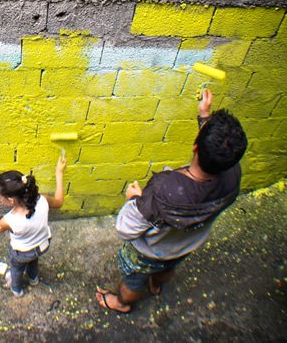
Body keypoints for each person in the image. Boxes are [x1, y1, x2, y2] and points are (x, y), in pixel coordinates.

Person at [97, 89, 247, 313]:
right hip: (184, 246)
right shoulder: (232, 174)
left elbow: (125, 229)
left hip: (151, 251)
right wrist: (204, 116)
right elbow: (216, 153)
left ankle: (123, 303)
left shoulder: (164, 193)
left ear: (195, 147)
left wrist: (136, 200)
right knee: (168, 267)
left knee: (133, 280)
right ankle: (157, 285)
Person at [0, 153, 67, 297]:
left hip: (22, 253)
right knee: (33, 262)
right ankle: (33, 279)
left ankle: (17, 289)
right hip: (42, 245)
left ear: (11, 201)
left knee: (17, 270)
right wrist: (59, 172)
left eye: (0, 197)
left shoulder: (10, 220)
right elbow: (59, 201)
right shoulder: (42, 199)